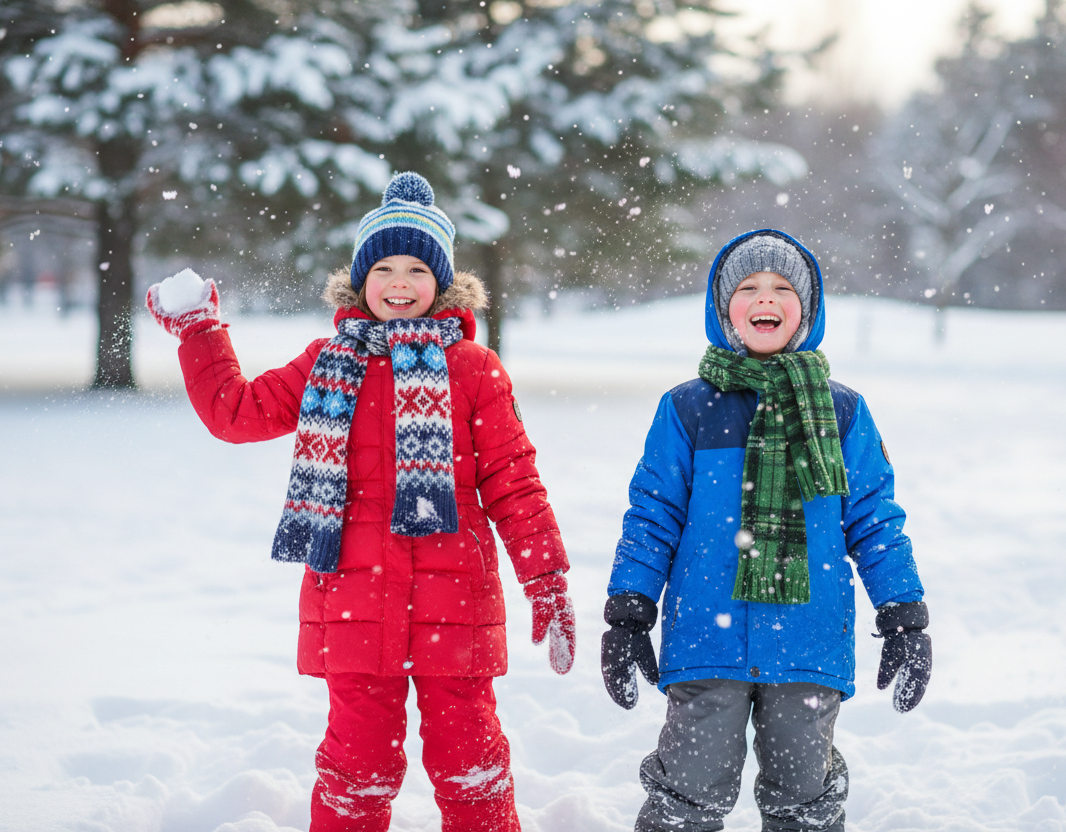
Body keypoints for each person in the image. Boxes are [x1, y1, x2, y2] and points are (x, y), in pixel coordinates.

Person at [145, 172, 575, 832]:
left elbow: (515, 483)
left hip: (453, 606)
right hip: (353, 601)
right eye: (383, 268)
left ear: (443, 283)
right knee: (355, 772)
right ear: (359, 279)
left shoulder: (472, 370)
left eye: (415, 269)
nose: (399, 282)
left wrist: (546, 578)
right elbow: (236, 413)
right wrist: (201, 331)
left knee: (472, 767)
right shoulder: (326, 363)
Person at [600, 229, 932, 832]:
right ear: (722, 307)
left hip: (806, 641)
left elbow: (874, 519)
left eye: (782, 287)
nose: (765, 298)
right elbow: (653, 514)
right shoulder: (688, 408)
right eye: (748, 287)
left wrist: (904, 614)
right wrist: (628, 610)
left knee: (804, 800)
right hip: (708, 638)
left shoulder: (842, 411)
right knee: (686, 797)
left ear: (807, 309)